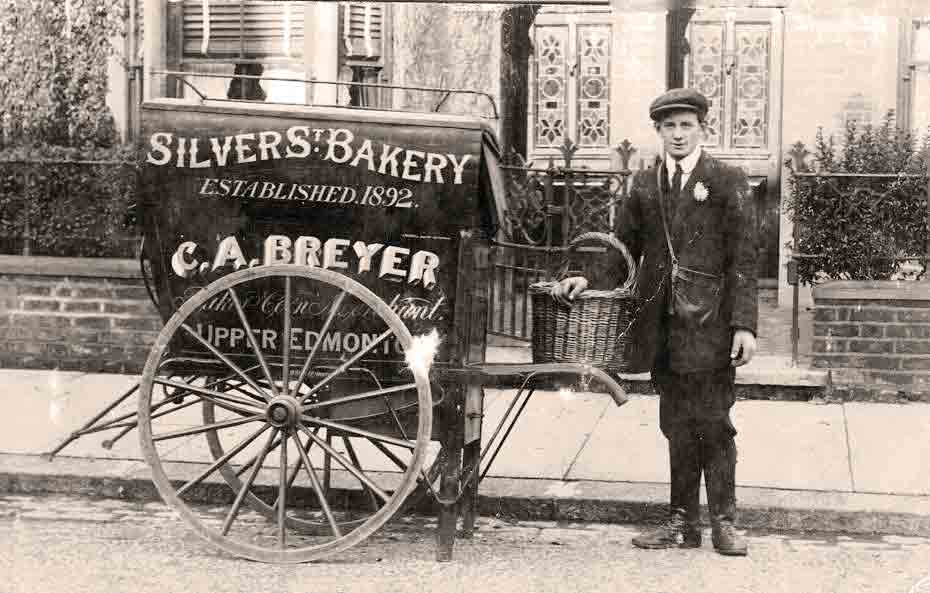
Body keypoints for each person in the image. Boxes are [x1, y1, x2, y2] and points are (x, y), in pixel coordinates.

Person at [552, 88, 758, 556]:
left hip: (711, 324)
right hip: (662, 326)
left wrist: (744, 324)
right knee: (676, 424)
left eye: (686, 125)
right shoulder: (645, 185)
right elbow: (621, 247)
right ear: (659, 131)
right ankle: (681, 522)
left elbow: (745, 257)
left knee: (715, 423)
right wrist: (587, 276)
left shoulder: (727, 181)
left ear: (702, 127)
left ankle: (724, 521)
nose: (678, 134)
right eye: (669, 126)